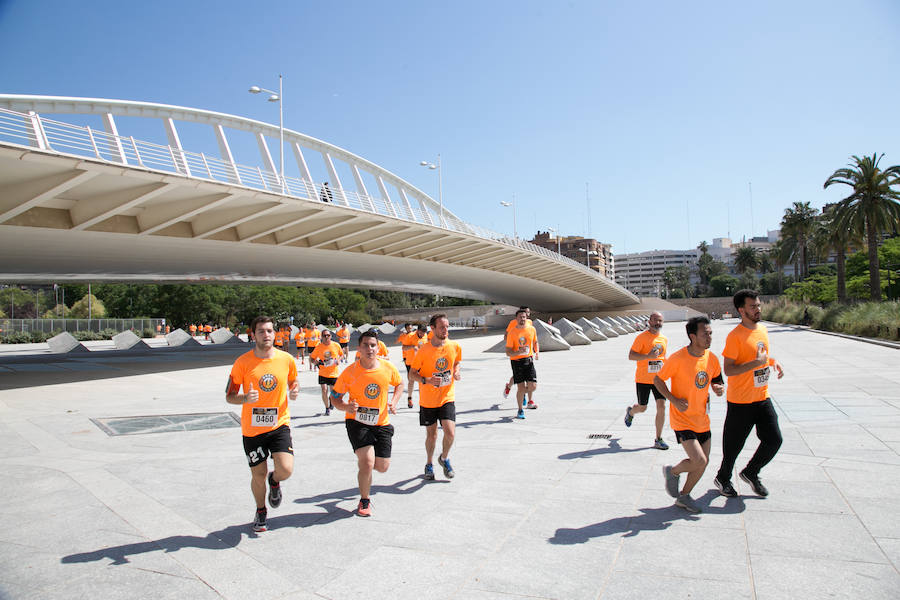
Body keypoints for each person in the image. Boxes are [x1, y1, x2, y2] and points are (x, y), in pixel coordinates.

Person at [225, 315, 300, 532]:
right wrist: (244, 399)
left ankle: (274, 481)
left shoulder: (286, 359)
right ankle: (260, 510)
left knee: (285, 469)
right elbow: (230, 396)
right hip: (252, 429)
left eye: (269, 331)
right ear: (253, 335)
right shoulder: (243, 362)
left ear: (274, 334)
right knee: (257, 475)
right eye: (261, 331)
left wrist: (295, 390)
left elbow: (294, 381)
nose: (266, 335)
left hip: (279, 425)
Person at [714, 289, 785, 498]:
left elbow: (761, 356)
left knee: (774, 439)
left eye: (759, 305)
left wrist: (773, 362)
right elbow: (728, 369)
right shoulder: (735, 336)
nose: (758, 309)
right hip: (741, 401)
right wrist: (756, 363)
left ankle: (751, 472)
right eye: (753, 306)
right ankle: (723, 477)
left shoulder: (762, 330)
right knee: (734, 447)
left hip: (762, 397)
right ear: (741, 310)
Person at [655, 316, 725, 513]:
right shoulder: (677, 358)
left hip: (702, 418)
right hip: (682, 418)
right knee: (699, 460)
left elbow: (717, 380)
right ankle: (673, 471)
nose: (709, 337)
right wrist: (673, 399)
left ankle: (684, 496)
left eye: (711, 333)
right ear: (693, 336)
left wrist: (718, 388)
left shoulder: (711, 358)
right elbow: (658, 380)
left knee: (703, 463)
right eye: (705, 334)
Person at [330, 330, 403, 516]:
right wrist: (346, 407)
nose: (369, 348)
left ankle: (367, 473)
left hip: (382, 423)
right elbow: (335, 397)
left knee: (382, 467)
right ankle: (364, 500)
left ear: (378, 348)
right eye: (365, 345)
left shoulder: (387, 368)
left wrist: (393, 402)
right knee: (367, 461)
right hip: (357, 422)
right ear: (359, 348)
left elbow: (400, 384)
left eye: (373, 345)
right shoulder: (350, 372)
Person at [410, 314, 462, 480]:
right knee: (432, 435)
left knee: (450, 433)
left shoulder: (454, 345)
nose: (445, 330)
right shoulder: (424, 350)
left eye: (447, 326)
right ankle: (429, 463)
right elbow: (412, 374)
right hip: (428, 400)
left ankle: (444, 458)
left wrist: (457, 371)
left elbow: (456, 361)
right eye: (441, 327)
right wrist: (427, 380)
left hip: (447, 396)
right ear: (432, 329)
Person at [624, 311, 670, 450]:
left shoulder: (664, 339)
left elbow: (662, 358)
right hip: (643, 379)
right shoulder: (641, 338)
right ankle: (631, 412)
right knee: (642, 408)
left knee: (661, 407)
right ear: (649, 322)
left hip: (659, 379)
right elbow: (631, 356)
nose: (658, 323)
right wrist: (647, 356)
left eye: (660, 321)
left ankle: (658, 439)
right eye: (655, 320)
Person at [505, 308, 538, 419]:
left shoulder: (532, 329)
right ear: (516, 319)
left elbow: (535, 341)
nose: (522, 319)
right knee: (520, 388)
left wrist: (536, 352)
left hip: (529, 360)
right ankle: (520, 410)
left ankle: (525, 395)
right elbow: (508, 352)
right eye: (520, 317)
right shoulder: (512, 332)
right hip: (516, 361)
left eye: (524, 317)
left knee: (533, 386)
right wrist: (518, 352)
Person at [310, 330, 344, 415]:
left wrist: (339, 360)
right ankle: (327, 408)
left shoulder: (336, 345)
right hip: (323, 373)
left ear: (331, 336)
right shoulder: (319, 347)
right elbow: (311, 358)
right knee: (324, 389)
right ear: (321, 337)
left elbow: (342, 354)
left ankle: (331, 400)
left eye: (328, 335)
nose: (326, 337)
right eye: (324, 336)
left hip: (333, 372)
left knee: (333, 392)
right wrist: (316, 363)